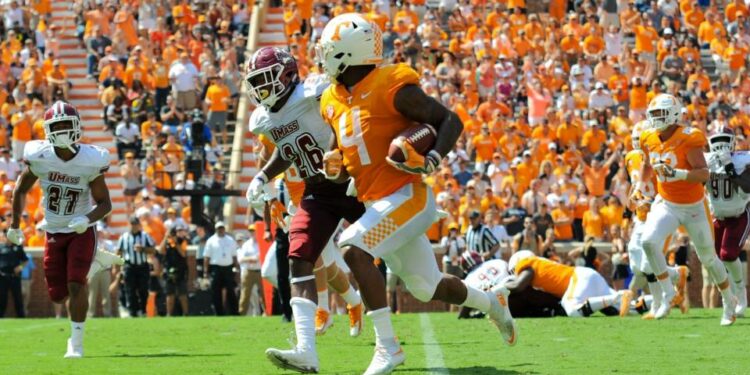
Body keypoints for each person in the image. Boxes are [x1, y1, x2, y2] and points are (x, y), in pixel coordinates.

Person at [316, 14, 515, 374]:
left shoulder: (391, 84)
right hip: (377, 203)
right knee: (427, 286)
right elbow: (343, 158)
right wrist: (334, 165)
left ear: (351, 51)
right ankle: (492, 302)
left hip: (409, 194)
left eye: (329, 50)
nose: (324, 56)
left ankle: (388, 348)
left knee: (354, 249)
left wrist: (432, 157)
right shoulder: (331, 100)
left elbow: (450, 120)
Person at [244, 47, 369, 372]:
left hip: (352, 180)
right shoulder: (264, 119)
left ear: (286, 76)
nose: (260, 89)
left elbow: (349, 111)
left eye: (265, 80)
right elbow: (282, 151)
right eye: (255, 82)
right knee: (306, 258)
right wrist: (265, 183)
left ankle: (486, 300)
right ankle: (315, 335)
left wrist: (344, 153)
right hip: (311, 193)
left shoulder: (313, 92)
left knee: (416, 275)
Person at [8, 101, 120, 357]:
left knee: (75, 286)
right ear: (47, 129)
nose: (59, 131)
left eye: (64, 126)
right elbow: (21, 190)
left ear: (76, 127)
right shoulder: (40, 156)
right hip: (54, 230)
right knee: (58, 296)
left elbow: (106, 204)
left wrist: (87, 219)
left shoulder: (91, 160)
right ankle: (94, 265)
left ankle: (76, 345)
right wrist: (14, 225)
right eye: (55, 126)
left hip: (81, 230)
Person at [635, 93, 736, 325]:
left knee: (708, 259)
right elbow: (646, 164)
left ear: (673, 114)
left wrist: (677, 174)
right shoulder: (648, 136)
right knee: (649, 242)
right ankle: (668, 293)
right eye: (654, 114)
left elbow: (703, 173)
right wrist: (640, 186)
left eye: (660, 114)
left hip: (693, 207)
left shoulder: (688, 137)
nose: (656, 119)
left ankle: (729, 301)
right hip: (667, 202)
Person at [625, 120, 688, 318]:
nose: (637, 143)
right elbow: (636, 184)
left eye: (640, 139)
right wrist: (632, 199)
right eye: (635, 139)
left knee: (647, 265)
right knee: (636, 265)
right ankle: (677, 274)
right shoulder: (630, 158)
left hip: (658, 214)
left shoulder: (657, 157)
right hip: (640, 217)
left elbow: (667, 190)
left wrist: (650, 203)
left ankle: (658, 306)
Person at [705, 126, 750, 317]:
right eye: (716, 140)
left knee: (728, 254)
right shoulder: (706, 160)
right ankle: (730, 296)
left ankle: (741, 295)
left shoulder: (743, 159)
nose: (720, 145)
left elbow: (747, 188)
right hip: (719, 217)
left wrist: (730, 169)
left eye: (724, 139)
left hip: (740, 214)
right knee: (713, 259)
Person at [505, 250, 630, 317]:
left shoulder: (527, 264)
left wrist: (497, 288)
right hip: (586, 277)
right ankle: (647, 302)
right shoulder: (541, 266)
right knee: (628, 309)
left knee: (572, 309)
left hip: (579, 278)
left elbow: (517, 286)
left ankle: (617, 297)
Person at [117, 217, 156, 318]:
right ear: (129, 225)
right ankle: (132, 312)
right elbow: (118, 252)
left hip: (142, 266)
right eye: (132, 224)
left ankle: (143, 310)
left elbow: (153, 250)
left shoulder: (145, 235)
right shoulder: (124, 237)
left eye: (135, 224)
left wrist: (143, 249)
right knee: (130, 290)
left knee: (143, 290)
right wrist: (117, 268)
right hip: (129, 267)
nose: (134, 226)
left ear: (139, 225)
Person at [202, 221, 239, 316]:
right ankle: (219, 313)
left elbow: (234, 256)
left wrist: (237, 268)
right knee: (216, 291)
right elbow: (206, 257)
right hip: (216, 268)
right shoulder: (211, 241)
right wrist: (205, 272)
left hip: (228, 268)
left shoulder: (230, 240)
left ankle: (234, 312)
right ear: (216, 229)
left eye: (222, 228)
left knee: (231, 291)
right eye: (219, 228)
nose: (221, 230)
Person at [160, 227, 189, 316]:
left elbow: (183, 253)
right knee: (170, 294)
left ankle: (185, 313)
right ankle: (169, 314)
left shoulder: (183, 241)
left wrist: (176, 242)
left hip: (181, 271)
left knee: (182, 294)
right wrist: (165, 237)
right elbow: (161, 250)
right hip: (169, 271)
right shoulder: (167, 243)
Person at [0, 230, 28, 318]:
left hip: (15, 277)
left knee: (17, 298)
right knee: (2, 298)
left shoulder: (18, 247)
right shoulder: (1, 247)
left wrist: (20, 267)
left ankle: (21, 317)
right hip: (2, 277)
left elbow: (25, 260)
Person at [238, 225, 264, 316]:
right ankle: (242, 314)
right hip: (249, 271)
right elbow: (241, 259)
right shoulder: (246, 244)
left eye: (254, 231)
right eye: (251, 231)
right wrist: (252, 258)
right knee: (245, 294)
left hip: (260, 271)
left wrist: (257, 258)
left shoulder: (262, 243)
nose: (252, 233)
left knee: (263, 294)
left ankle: (267, 313)